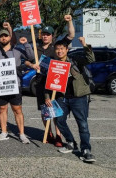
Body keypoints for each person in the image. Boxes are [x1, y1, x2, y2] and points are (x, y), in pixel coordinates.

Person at [25, 15, 75, 147]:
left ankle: (58, 135)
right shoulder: (36, 47)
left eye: (48, 34)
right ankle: (48, 133)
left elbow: (71, 35)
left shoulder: (57, 46)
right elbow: (26, 60)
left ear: (52, 36)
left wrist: (69, 21)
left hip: (56, 83)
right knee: (45, 110)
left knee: (57, 111)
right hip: (41, 83)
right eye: (44, 34)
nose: (45, 36)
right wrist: (32, 65)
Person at [45, 37, 96, 162]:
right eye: (57, 49)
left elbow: (91, 59)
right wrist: (47, 97)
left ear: (67, 50)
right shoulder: (53, 64)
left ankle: (86, 150)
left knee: (82, 124)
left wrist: (85, 45)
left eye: (62, 49)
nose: (59, 51)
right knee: (59, 120)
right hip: (62, 98)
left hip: (79, 97)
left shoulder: (75, 60)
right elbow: (47, 82)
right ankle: (70, 142)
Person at [0, 29, 33, 143]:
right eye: (1, 36)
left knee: (17, 109)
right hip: (0, 85)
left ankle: (22, 134)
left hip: (15, 85)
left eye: (6, 36)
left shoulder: (18, 49)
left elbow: (30, 57)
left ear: (10, 37)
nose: (3, 38)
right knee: (2, 109)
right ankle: (4, 132)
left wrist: (26, 44)